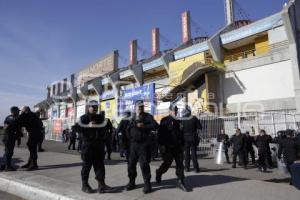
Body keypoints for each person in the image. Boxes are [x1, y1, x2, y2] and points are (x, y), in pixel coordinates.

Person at [79, 101, 113, 194]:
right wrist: (87, 125)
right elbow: (77, 129)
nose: (94, 108)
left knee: (100, 166)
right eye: (92, 107)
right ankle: (84, 185)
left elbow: (106, 129)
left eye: (95, 107)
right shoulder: (83, 118)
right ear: (88, 107)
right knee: (86, 166)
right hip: (88, 146)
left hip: (99, 145)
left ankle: (101, 184)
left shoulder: (100, 118)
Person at [125, 100, 158, 194]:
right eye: (138, 106)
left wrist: (145, 126)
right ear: (135, 107)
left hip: (143, 145)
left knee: (144, 165)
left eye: (141, 106)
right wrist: (130, 138)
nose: (140, 108)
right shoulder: (132, 118)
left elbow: (155, 126)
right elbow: (127, 129)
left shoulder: (148, 116)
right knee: (131, 165)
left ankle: (147, 184)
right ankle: (132, 182)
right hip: (133, 145)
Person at [155, 105, 188, 192]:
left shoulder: (179, 121)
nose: (175, 112)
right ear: (169, 111)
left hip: (178, 147)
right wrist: (161, 146)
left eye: (176, 110)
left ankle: (181, 181)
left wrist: (183, 145)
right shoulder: (164, 120)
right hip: (168, 147)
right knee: (167, 164)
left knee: (180, 164)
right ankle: (159, 172)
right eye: (173, 110)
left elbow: (182, 134)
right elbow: (160, 135)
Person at [19, 106, 43, 171]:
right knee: (31, 147)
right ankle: (30, 163)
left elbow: (21, 121)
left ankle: (34, 164)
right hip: (35, 134)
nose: (22, 112)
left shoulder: (30, 115)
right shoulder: (32, 115)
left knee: (32, 148)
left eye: (23, 111)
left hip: (35, 134)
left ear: (26, 110)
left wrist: (22, 114)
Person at [0, 107, 22, 171]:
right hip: (10, 137)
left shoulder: (8, 117)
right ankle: (8, 167)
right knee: (9, 152)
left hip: (6, 137)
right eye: (18, 111)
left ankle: (3, 165)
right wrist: (18, 139)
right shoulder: (16, 119)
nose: (19, 112)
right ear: (15, 111)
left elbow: (5, 127)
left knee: (7, 152)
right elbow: (18, 130)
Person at [181, 107, 202, 173]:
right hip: (193, 137)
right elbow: (200, 127)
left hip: (185, 138)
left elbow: (181, 129)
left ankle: (187, 168)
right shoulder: (194, 118)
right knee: (193, 153)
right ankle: (196, 168)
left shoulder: (183, 119)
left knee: (186, 153)